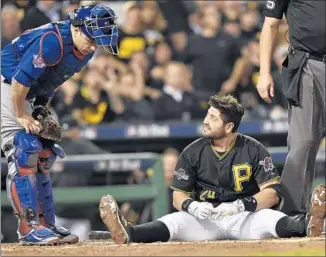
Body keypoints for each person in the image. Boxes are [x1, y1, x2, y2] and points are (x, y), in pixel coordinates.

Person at [98, 95, 326, 244]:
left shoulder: (253, 149)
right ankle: (130, 232)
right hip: (205, 218)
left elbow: (272, 192)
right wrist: (192, 206)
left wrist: (242, 204)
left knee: (272, 219)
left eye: (213, 118)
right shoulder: (192, 151)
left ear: (229, 127)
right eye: (208, 114)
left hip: (244, 216)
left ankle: (307, 223)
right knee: (173, 222)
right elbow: (178, 194)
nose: (206, 120)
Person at [0, 4, 119, 245]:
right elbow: (20, 80)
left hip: (26, 92)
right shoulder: (53, 41)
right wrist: (23, 115)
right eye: (92, 38)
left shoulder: (84, 50)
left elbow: (52, 80)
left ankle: (46, 224)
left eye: (98, 40)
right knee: (23, 150)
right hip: (8, 85)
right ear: (77, 28)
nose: (94, 44)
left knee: (44, 152)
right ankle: (27, 229)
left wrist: (42, 109)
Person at [257, 0, 325, 215]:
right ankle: (291, 216)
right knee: (303, 142)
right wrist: (265, 72)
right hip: (308, 63)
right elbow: (270, 25)